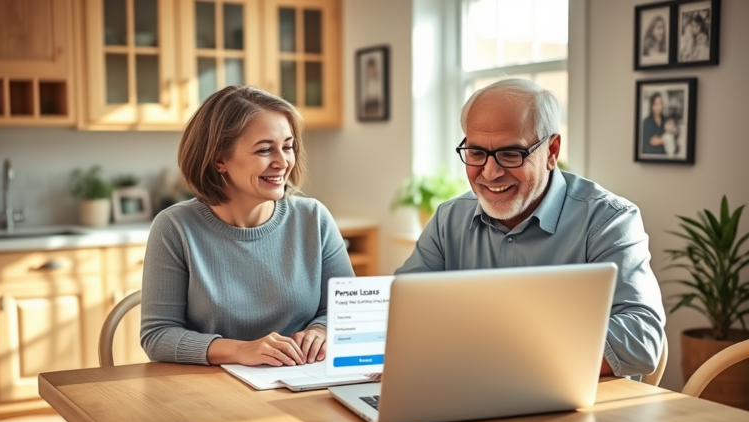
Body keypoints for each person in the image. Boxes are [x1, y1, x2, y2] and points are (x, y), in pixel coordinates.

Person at [396, 78, 665, 379]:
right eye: (476, 153)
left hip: (576, 399)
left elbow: (641, 340)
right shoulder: (449, 219)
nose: (490, 172)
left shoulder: (609, 220)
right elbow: (401, 312)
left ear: (551, 151)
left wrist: (500, 349)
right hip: (463, 388)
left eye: (511, 154)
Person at [141, 86, 355, 367]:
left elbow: (345, 310)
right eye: (265, 150)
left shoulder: (314, 218)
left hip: (301, 378)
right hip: (210, 385)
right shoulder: (174, 228)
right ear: (220, 159)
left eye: (287, 146)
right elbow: (158, 336)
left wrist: (321, 331)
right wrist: (240, 350)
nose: (283, 162)